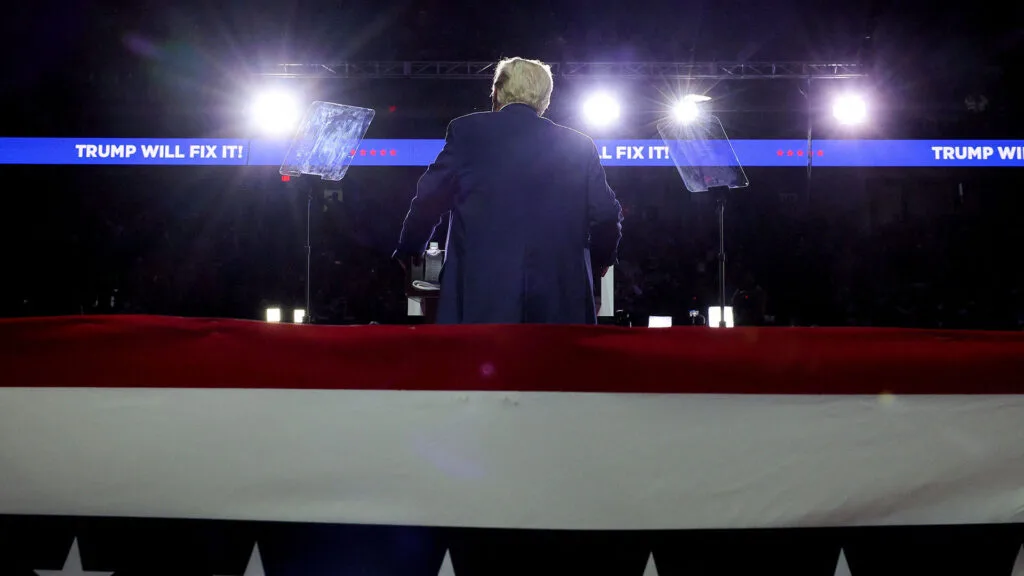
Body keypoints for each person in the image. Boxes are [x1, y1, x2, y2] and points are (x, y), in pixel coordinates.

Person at [393, 57, 623, 324]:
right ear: (545, 100)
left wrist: (410, 249)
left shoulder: (467, 132)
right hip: (560, 305)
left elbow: (429, 198)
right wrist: (601, 259)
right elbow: (606, 214)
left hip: (481, 303)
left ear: (497, 92)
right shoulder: (580, 145)